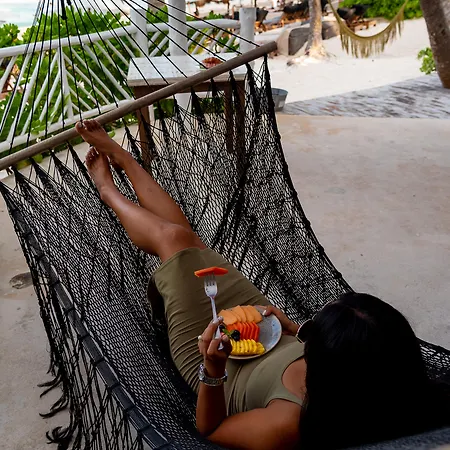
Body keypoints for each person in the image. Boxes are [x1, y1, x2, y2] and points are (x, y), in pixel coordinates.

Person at [75, 120, 449, 450]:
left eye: (314, 333)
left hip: (210, 352)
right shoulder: (382, 381)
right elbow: (335, 351)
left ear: (334, 368)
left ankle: (109, 190)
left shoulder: (286, 426)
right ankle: (126, 162)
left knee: (174, 240)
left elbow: (211, 429)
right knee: (190, 247)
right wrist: (294, 329)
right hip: (265, 331)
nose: (308, 331)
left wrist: (212, 368)